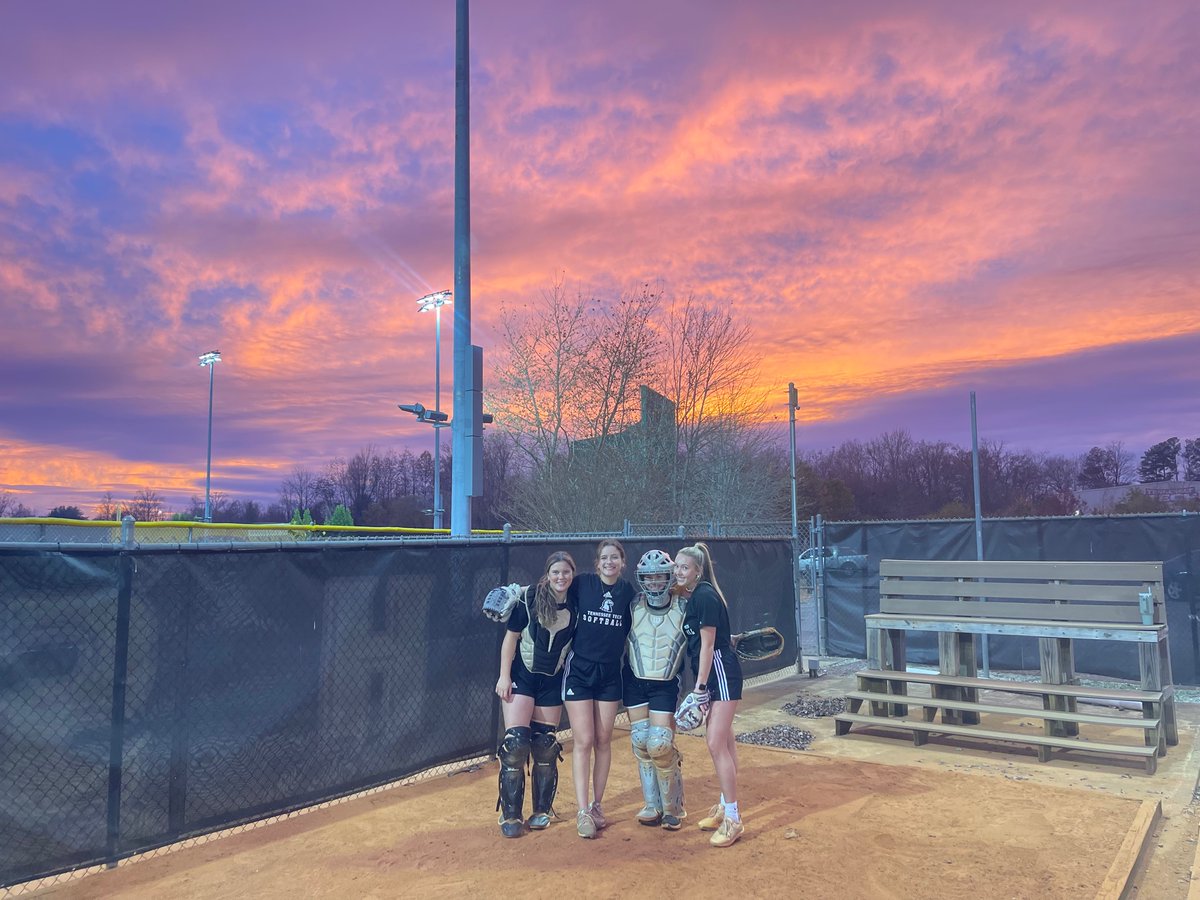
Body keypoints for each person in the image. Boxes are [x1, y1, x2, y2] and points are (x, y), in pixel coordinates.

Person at [494, 551, 577, 838]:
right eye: (556, 572)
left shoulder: (575, 604)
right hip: (523, 678)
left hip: (551, 682)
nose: (561, 577)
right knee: (516, 746)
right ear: (547, 574)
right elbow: (511, 639)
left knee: (545, 745)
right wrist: (504, 676)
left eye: (566, 572)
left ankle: (541, 810)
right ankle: (511, 815)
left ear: (572, 574)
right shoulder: (529, 599)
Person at [562, 539, 635, 838]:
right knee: (584, 740)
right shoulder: (583, 585)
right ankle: (582, 811)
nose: (609, 562)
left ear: (622, 561)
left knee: (604, 739)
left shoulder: (628, 593)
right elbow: (553, 590)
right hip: (579, 670)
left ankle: (597, 806)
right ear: (597, 563)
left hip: (609, 673)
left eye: (614, 557)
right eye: (604, 558)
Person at [675, 542, 745, 848]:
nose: (678, 571)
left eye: (684, 567)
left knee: (715, 742)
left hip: (721, 675)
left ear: (698, 571)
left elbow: (707, 646)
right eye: (676, 566)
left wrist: (700, 688)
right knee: (725, 742)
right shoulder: (696, 594)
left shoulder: (703, 596)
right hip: (716, 674)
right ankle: (723, 806)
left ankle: (733, 819)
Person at [624, 549, 689, 830]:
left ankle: (673, 808)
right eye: (648, 578)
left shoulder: (684, 606)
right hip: (635, 679)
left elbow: (705, 637)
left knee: (659, 744)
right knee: (641, 742)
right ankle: (652, 805)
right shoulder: (632, 605)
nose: (653, 583)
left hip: (665, 681)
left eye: (658, 576)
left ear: (669, 577)